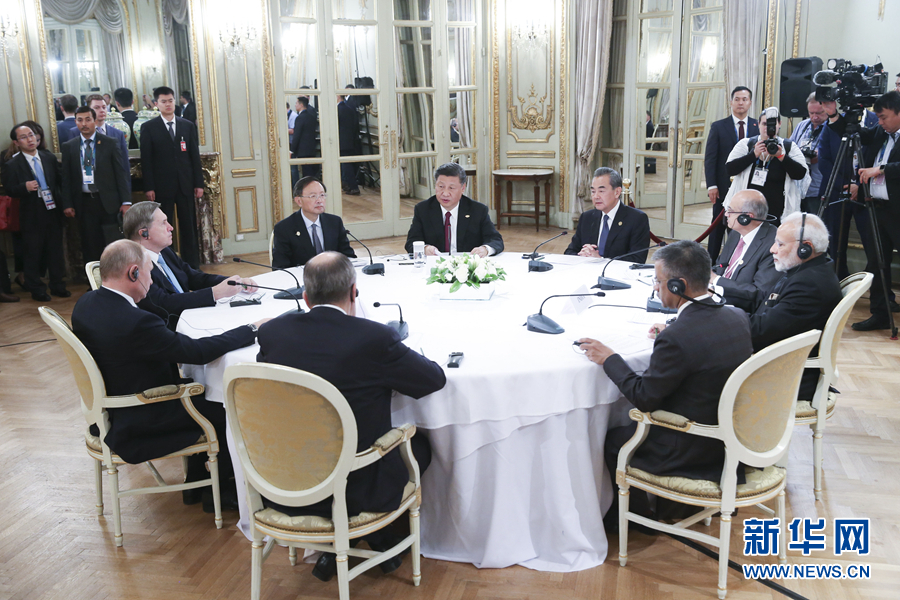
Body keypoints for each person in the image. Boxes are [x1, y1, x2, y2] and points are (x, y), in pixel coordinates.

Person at [256, 251, 446, 581]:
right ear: (354, 292)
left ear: (305, 297)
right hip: (355, 488)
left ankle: (346, 547)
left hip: (283, 483)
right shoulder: (375, 338)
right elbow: (432, 380)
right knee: (420, 446)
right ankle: (379, 538)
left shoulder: (273, 333)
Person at [72, 240, 267, 510]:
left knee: (202, 389)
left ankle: (198, 484)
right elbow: (197, 352)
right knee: (227, 404)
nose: (152, 281)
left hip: (113, 406)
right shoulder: (137, 322)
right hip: (142, 415)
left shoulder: (86, 304)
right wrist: (252, 329)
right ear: (133, 273)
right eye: (149, 273)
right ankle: (219, 494)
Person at [577, 240, 752, 525]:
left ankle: (636, 522)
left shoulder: (678, 337)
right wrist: (671, 329)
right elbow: (702, 340)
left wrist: (610, 358)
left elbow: (643, 397)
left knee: (614, 440)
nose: (655, 289)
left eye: (658, 281)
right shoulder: (737, 316)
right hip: (731, 440)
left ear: (678, 285)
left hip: (690, 448)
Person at [745, 212, 841, 399]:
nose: (772, 249)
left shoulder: (809, 285)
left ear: (805, 248)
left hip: (785, 377)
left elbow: (761, 331)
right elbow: (765, 300)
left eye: (780, 244)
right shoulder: (808, 270)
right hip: (777, 363)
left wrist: (721, 319)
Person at [123, 201, 255, 323]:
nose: (171, 227)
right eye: (163, 223)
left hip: (192, 317)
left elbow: (192, 277)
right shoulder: (134, 267)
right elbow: (163, 303)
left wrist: (235, 282)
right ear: (144, 233)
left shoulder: (165, 252)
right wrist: (215, 293)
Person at [1, 123, 69, 301]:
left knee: (55, 251)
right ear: (16, 142)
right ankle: (37, 289)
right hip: (30, 213)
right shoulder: (12, 164)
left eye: (31, 135)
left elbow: (60, 181)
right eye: (24, 137)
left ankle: (58, 285)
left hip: (52, 209)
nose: (30, 140)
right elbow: (9, 189)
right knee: (33, 253)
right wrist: (24, 187)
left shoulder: (48, 157)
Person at [140, 85, 204, 269]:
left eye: (170, 100)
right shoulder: (149, 127)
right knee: (162, 228)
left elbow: (194, 157)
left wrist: (198, 183)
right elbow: (146, 160)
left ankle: (192, 265)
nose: (168, 104)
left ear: (175, 101)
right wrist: (149, 187)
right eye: (163, 101)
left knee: (188, 226)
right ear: (156, 104)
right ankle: (168, 266)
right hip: (162, 186)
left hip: (185, 184)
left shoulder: (187, 126)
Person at [852, 91, 900, 331]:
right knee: (877, 262)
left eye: (884, 117)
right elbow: (861, 134)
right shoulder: (882, 131)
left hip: (898, 210)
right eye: (878, 117)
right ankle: (880, 313)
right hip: (876, 207)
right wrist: (837, 115)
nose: (880, 122)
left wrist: (880, 169)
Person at [60, 106, 131, 263]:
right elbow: (66, 178)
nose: (84, 124)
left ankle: (117, 275)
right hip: (84, 202)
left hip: (108, 201)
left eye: (88, 119)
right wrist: (67, 203)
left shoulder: (109, 143)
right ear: (75, 122)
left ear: (94, 121)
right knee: (89, 244)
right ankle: (93, 275)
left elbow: (121, 174)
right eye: (80, 120)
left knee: (113, 244)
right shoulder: (69, 146)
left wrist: (126, 201)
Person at [723, 106, 809, 225]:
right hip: (746, 209)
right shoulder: (746, 144)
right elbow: (730, 169)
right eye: (764, 124)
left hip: (778, 211)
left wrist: (782, 156)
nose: (768, 128)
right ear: (758, 124)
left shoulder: (789, 147)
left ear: (779, 124)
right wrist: (753, 155)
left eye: (772, 125)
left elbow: (800, 174)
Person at [704, 86, 759, 261]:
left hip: (749, 186)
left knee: (743, 226)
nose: (740, 103)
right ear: (731, 102)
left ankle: (736, 262)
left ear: (750, 102)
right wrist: (712, 185)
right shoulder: (718, 126)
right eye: (737, 99)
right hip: (723, 186)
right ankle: (711, 262)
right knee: (718, 226)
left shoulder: (758, 126)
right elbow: (711, 158)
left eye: (744, 99)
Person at [404, 162, 504, 257]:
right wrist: (425, 249)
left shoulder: (478, 210)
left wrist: (485, 249)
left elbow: (495, 240)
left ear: (463, 188)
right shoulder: (423, 209)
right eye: (441, 186)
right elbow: (411, 242)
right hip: (435, 265)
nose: (445, 193)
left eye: (451, 188)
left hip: (465, 265)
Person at [710, 190, 780, 310]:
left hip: (739, 310)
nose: (726, 214)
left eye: (730, 210)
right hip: (716, 297)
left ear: (746, 217)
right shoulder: (736, 233)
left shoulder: (773, 244)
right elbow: (720, 267)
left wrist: (716, 280)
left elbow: (759, 293)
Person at [564, 167, 651, 262]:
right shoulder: (587, 217)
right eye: (593, 192)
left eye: (601, 191)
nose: (596, 196)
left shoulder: (636, 219)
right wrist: (582, 255)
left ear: (617, 192)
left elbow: (637, 259)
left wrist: (600, 260)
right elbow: (569, 252)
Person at [272, 177, 355, 268]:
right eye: (313, 196)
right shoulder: (284, 228)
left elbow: (348, 257)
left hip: (333, 275)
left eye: (322, 195)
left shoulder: (334, 222)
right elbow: (280, 267)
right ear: (299, 201)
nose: (319, 200)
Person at [789, 94, 830, 213]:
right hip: (798, 188)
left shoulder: (832, 128)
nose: (814, 117)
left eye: (819, 113)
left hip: (819, 188)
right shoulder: (802, 125)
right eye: (811, 113)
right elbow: (790, 148)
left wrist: (821, 156)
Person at [86, 94, 131, 195]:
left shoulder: (117, 134)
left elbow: (124, 165)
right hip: (88, 191)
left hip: (112, 190)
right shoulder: (77, 133)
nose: (102, 110)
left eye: (104, 107)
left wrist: (126, 196)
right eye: (97, 108)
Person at [290, 96, 319, 185]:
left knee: (306, 173)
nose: (295, 105)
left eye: (296, 103)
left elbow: (297, 135)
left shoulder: (300, 118)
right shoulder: (311, 116)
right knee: (311, 171)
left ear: (301, 105)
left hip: (303, 149)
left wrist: (292, 150)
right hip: (311, 147)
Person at [337, 90, 361, 195]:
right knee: (348, 165)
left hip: (341, 141)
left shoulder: (337, 109)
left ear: (338, 96)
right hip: (351, 140)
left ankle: (353, 187)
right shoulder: (349, 108)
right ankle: (349, 185)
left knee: (346, 166)